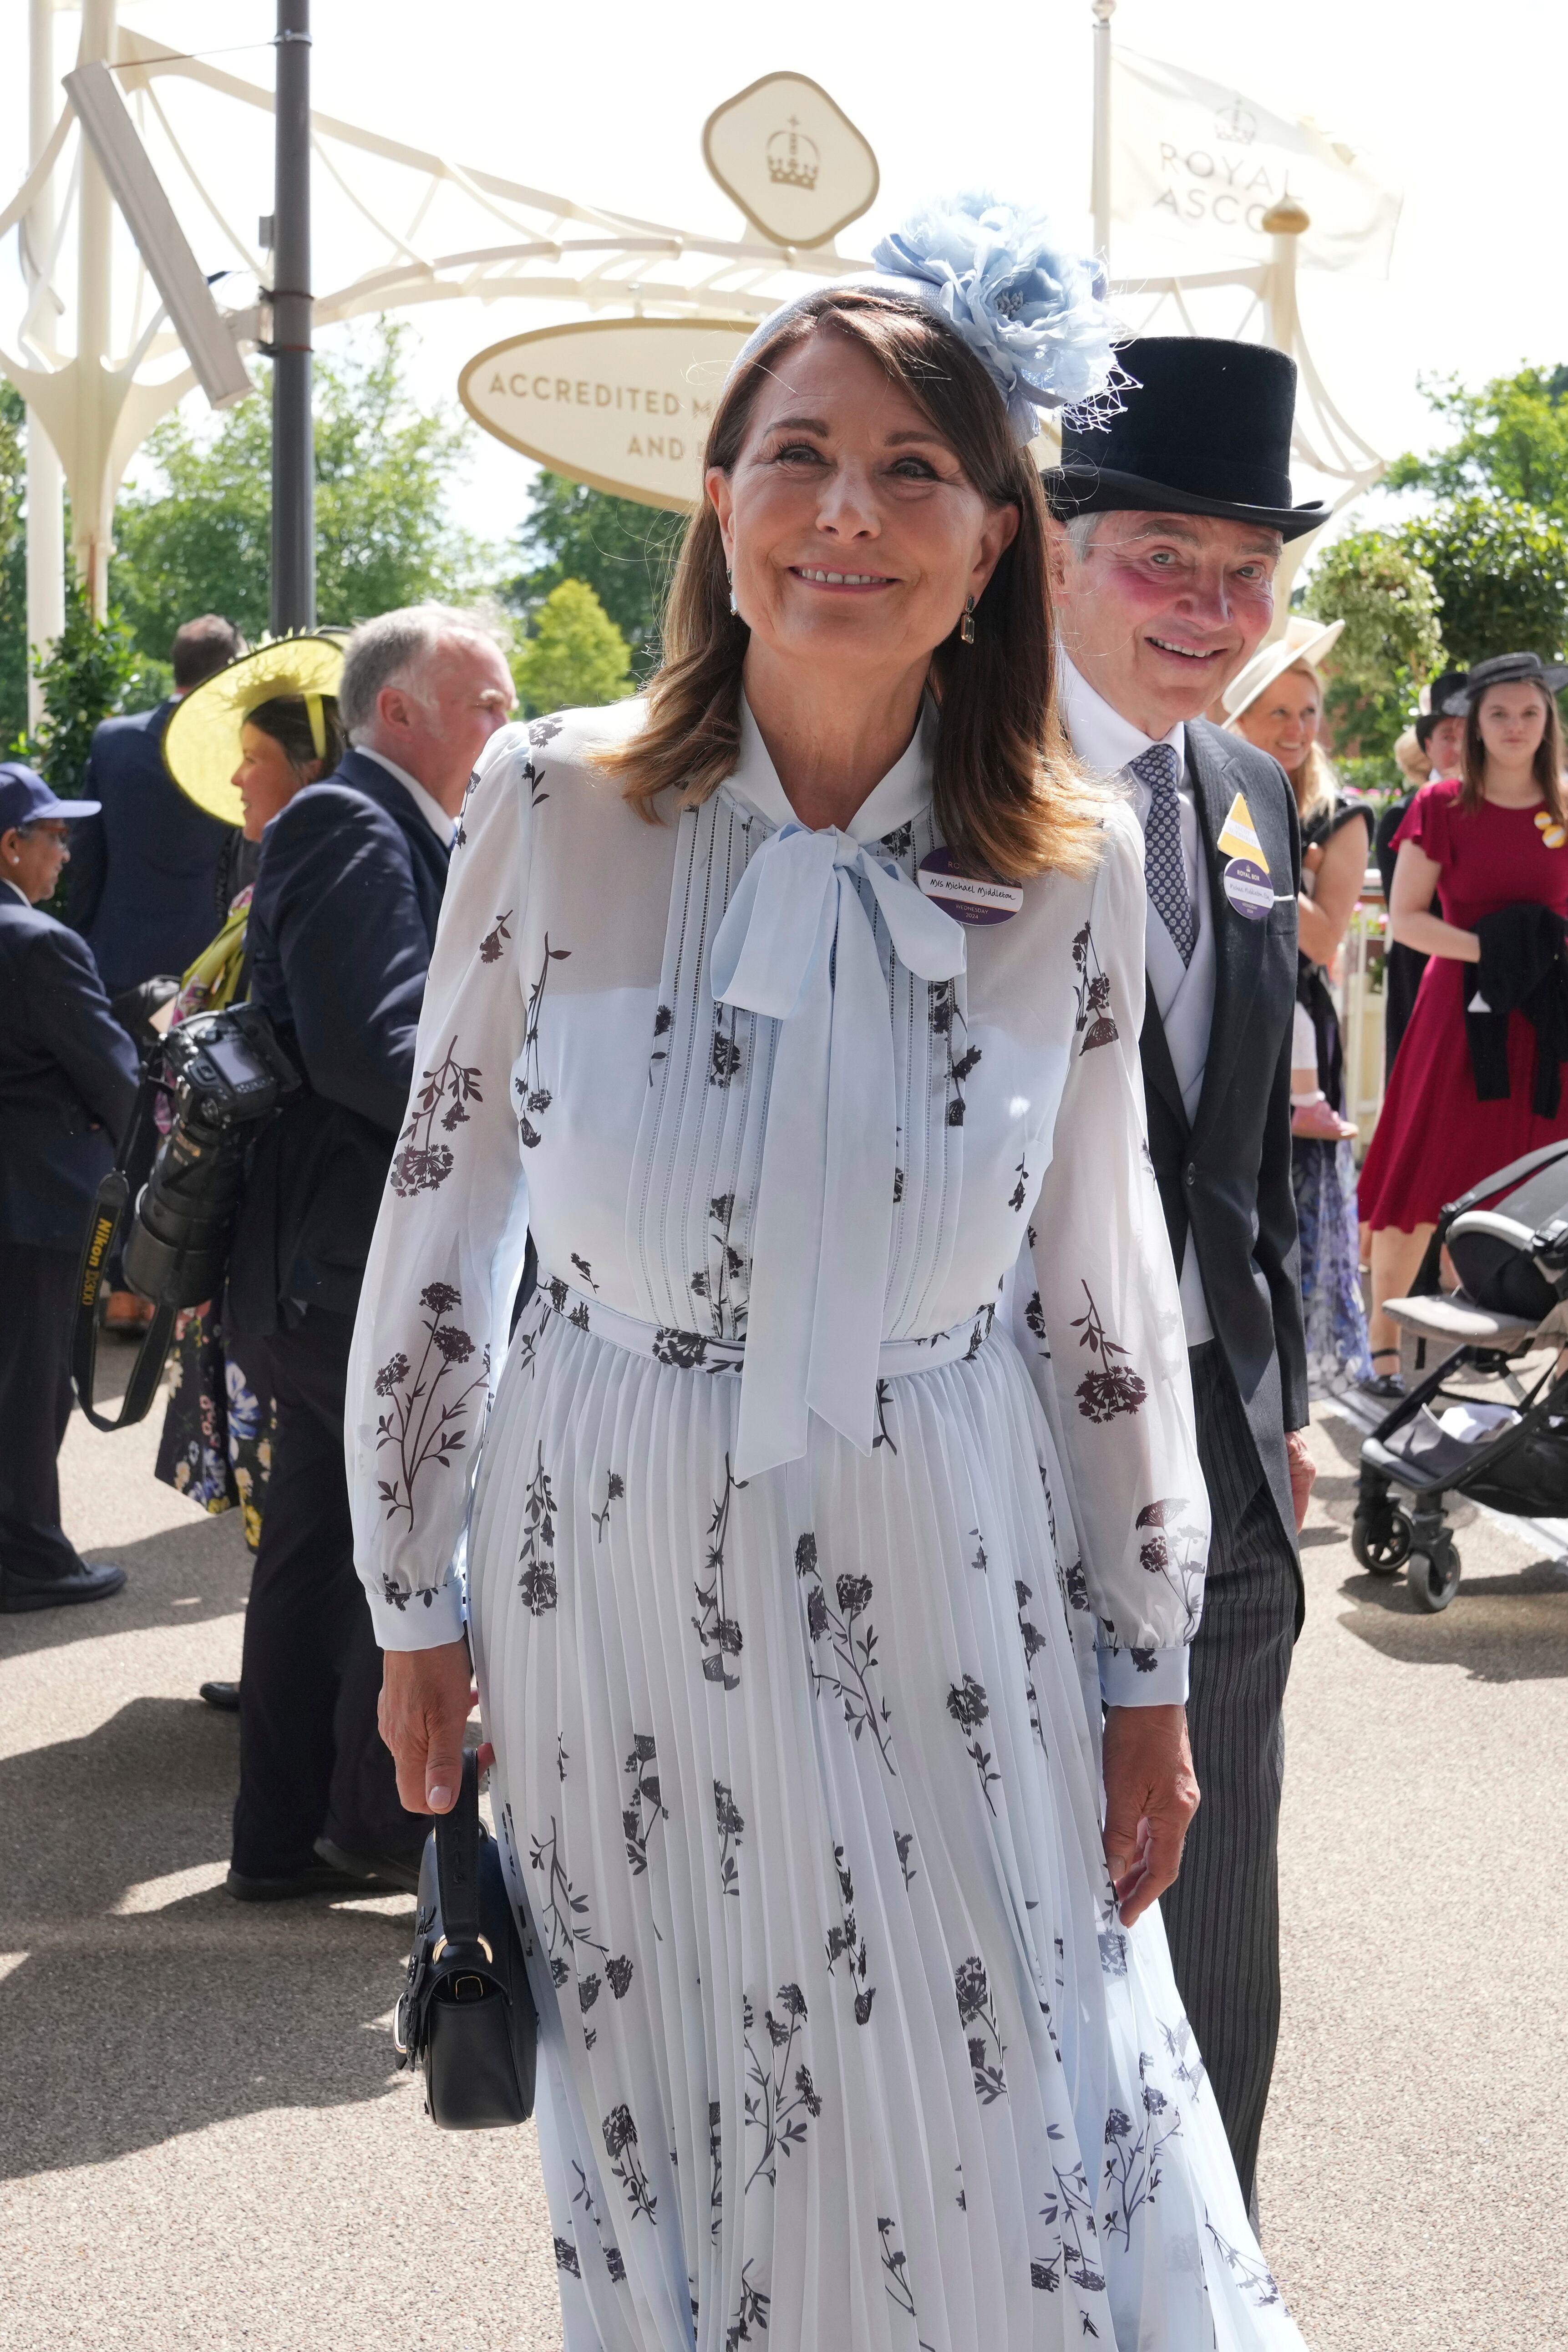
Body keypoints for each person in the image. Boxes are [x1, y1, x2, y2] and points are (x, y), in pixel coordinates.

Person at [350, 210, 1306, 2347]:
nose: (845, 516)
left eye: (913, 473)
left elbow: (1098, 1285)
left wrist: (1147, 1657)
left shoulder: (1068, 863)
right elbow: (444, 1210)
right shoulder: (551, 798)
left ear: (996, 545)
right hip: (609, 1538)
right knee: (683, 2090)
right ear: (719, 502)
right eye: (797, 457)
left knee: (1015, 2086)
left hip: (944, 1524)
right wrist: (410, 1596)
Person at [1045, 334, 1316, 2220]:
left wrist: (1278, 1397)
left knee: (1218, 1947)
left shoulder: (1242, 791)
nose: (1213, 610)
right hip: (988, 1455)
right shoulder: (931, 763)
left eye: (1249, 571)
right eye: (1166, 556)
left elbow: (1225, 1153)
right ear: (1056, 544)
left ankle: (1207, 2278)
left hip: (1216, 1456)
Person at [222, 606, 516, 1900]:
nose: (507, 719)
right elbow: (373, 1047)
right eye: (488, 700)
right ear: (399, 711)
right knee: (375, 1540)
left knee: (322, 1545)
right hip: (345, 1261)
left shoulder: (388, 821)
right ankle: (368, 1822)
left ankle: (291, 1835)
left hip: (330, 1257)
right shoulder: (352, 818)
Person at [150, 642, 347, 1668]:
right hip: (247, 1231)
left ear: (308, 767)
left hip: (282, 1230)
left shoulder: (313, 880)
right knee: (274, 1475)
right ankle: (284, 1667)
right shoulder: (272, 879)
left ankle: (297, 1680)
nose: (235, 778)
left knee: (294, 1476)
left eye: (253, 755)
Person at [1360, 651, 1568, 1373]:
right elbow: (1407, 920)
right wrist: (1498, 950)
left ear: (1548, 722)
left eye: (1529, 713)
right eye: (1499, 714)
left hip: (1546, 1023)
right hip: (1459, 1016)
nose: (1515, 727)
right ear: (1474, 725)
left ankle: (1526, 1353)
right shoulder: (1440, 806)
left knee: (1545, 1176)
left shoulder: (1567, 806)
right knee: (1422, 1175)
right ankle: (1384, 1356)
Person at [66, 613, 246, 1329]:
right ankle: (171, 1292)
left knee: (122, 1121)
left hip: (117, 963)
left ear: (172, 666)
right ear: (228, 668)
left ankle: (115, 1288)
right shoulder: (236, 747)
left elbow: (89, 865)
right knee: (194, 1130)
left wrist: (80, 957)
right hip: (205, 973)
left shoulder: (114, 743)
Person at [0, 764, 139, 1612]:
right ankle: (32, 1557)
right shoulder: (41, 945)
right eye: (53, 834)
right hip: (41, 1201)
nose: (66, 849)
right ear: (10, 846)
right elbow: (114, 1077)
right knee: (33, 1382)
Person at [1225, 622, 1375, 1396]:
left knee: (1287, 1224)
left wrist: (1260, 850)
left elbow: (1321, 940)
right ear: (1240, 714)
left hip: (1294, 1035)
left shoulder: (1338, 817)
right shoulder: (1207, 784)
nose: (1294, 729)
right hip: (1213, 1020)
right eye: (1276, 711)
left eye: (1307, 711)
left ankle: (1283, 1400)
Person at [1374, 671, 1469, 1090]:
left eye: (1470, 734)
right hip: (1423, 975)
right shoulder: (1402, 815)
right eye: (1447, 735)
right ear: (1427, 746)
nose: (1459, 746)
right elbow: (1410, 915)